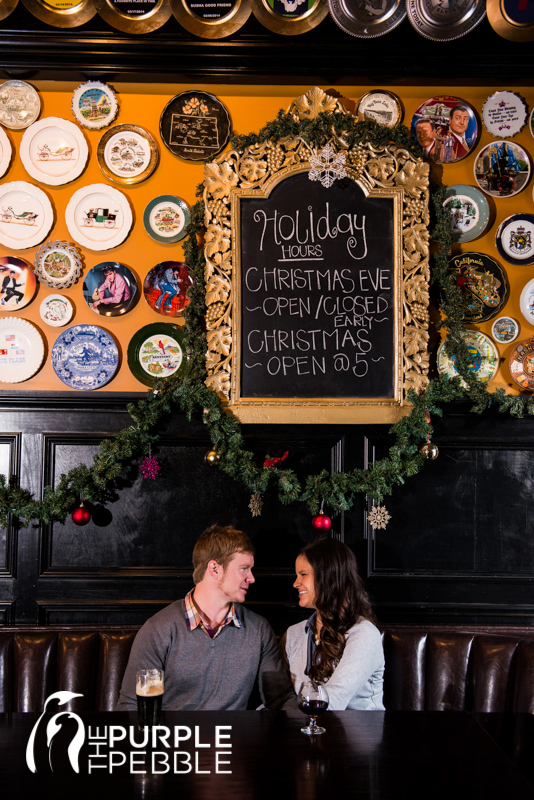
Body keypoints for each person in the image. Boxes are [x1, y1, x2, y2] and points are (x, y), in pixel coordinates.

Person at [116, 524, 293, 711]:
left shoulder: (258, 629)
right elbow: (130, 706)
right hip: (175, 738)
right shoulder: (159, 629)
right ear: (214, 569)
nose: (251, 578)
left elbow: (281, 699)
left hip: (231, 738)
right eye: (244, 568)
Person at [283, 537, 385, 710]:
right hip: (306, 732)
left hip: (361, 735)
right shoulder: (294, 634)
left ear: (328, 577)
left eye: (303, 574)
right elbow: (281, 697)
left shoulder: (364, 634)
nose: (295, 583)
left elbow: (332, 702)